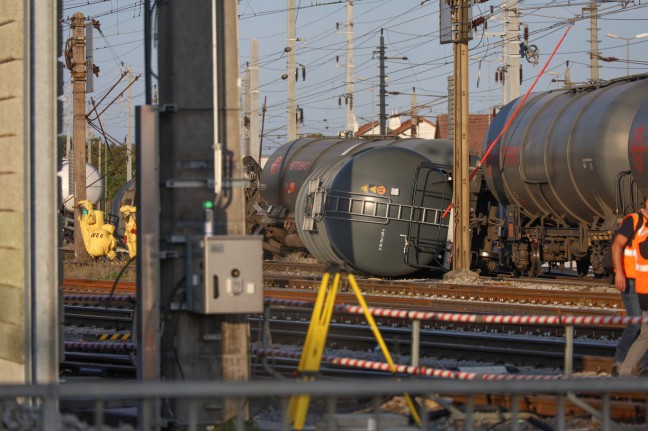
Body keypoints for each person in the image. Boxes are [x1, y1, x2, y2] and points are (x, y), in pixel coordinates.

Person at [611, 201, 648, 376]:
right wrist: (619, 273)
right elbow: (617, 245)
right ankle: (619, 361)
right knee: (636, 323)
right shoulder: (634, 220)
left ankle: (644, 366)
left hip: (644, 281)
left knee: (646, 327)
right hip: (630, 281)